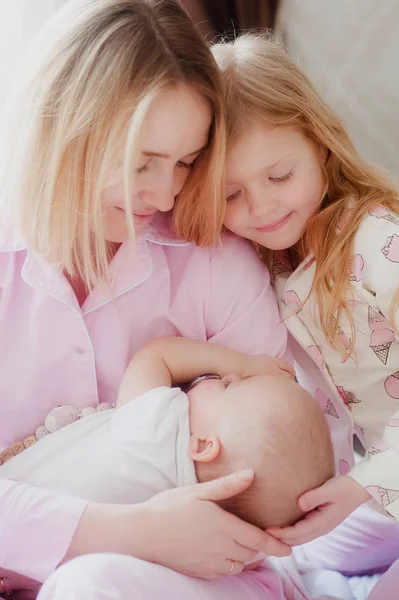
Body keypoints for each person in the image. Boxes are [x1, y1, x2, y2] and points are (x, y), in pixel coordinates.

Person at [0, 2, 296, 598]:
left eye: (187, 163)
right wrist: (131, 530)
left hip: (208, 572)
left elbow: (288, 461)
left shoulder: (213, 266)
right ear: (67, 132)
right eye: (142, 164)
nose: (164, 193)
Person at [213, 32, 399, 580]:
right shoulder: (265, 273)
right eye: (229, 193)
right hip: (378, 482)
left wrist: (365, 484)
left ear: (319, 144)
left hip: (383, 476)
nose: (261, 206)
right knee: (309, 555)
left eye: (279, 176)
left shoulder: (377, 241)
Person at [0, 337, 334, 536]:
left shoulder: (156, 430)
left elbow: (155, 356)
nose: (227, 375)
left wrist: (245, 363)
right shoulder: (190, 525)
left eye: (230, 386)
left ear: (202, 445)